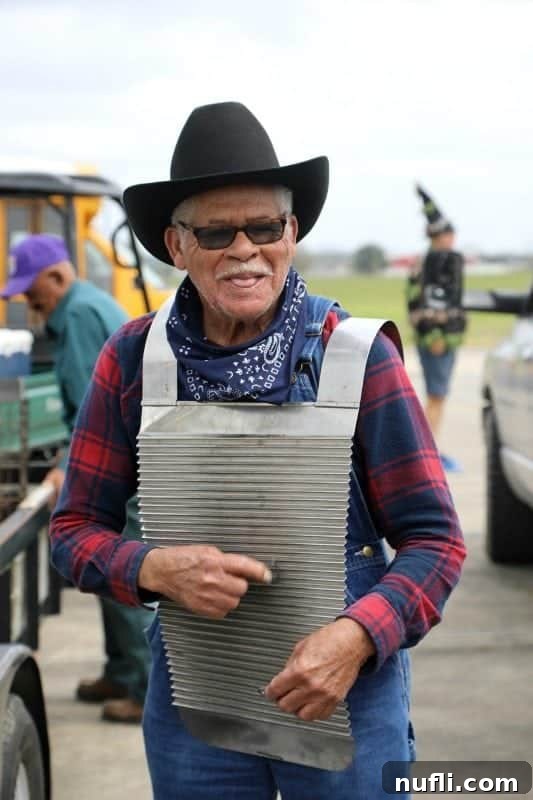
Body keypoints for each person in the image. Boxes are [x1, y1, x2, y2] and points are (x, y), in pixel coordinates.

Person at [49, 102, 466, 799]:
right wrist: (151, 566)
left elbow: (435, 541)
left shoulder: (353, 355)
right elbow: (72, 532)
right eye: (216, 232)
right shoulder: (132, 359)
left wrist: (357, 636)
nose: (245, 249)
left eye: (265, 227)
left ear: (291, 233)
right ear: (176, 245)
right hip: (196, 702)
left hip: (346, 698)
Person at [0, 234, 153, 724]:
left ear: (58, 276)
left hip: (123, 470)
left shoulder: (81, 315)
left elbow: (96, 410)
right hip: (124, 464)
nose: (30, 301)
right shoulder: (80, 308)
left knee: (124, 572)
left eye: (33, 290)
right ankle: (121, 671)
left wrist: (67, 466)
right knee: (109, 575)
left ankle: (144, 689)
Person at [407, 184, 468, 473]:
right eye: (449, 234)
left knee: (438, 396)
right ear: (439, 236)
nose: (452, 239)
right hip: (436, 339)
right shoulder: (430, 265)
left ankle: (429, 448)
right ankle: (427, 453)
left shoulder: (440, 262)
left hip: (447, 339)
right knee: (436, 395)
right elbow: (419, 304)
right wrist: (434, 334)